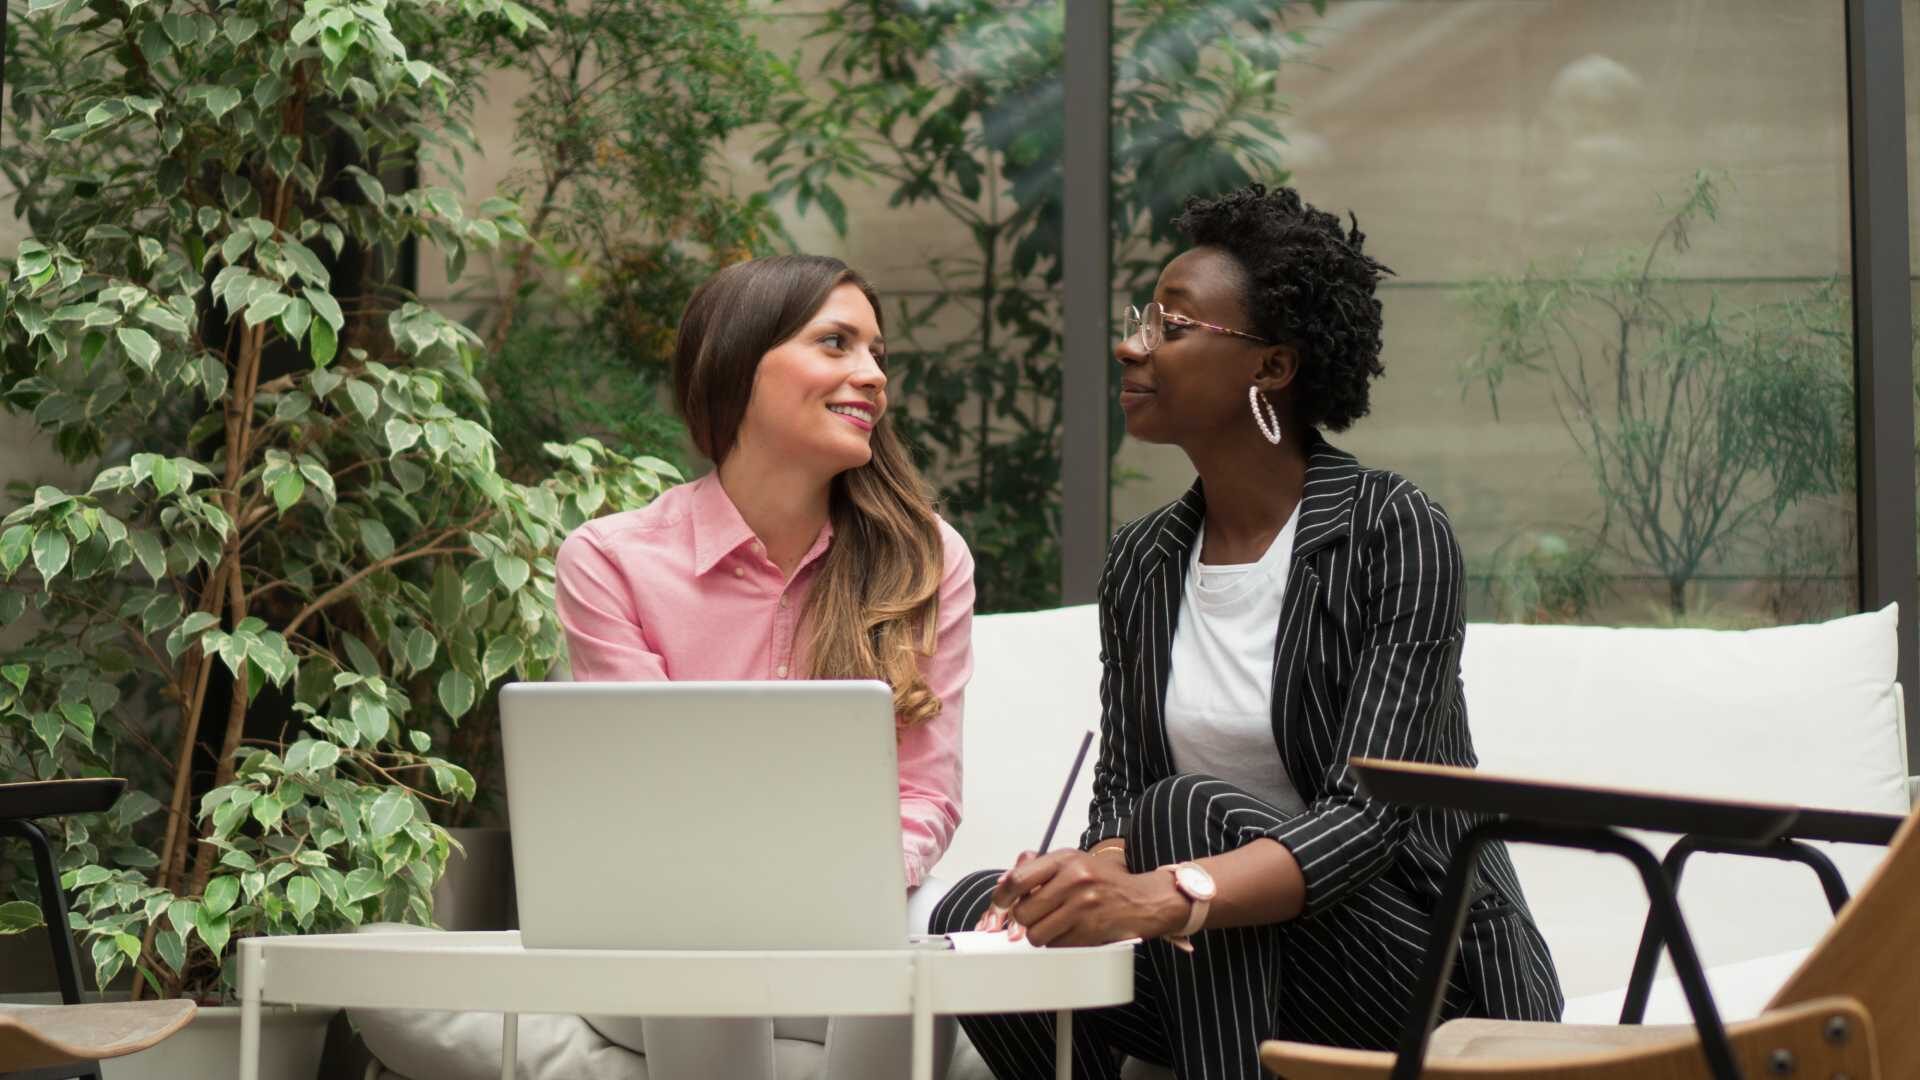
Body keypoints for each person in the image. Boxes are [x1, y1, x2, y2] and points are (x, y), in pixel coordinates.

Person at [929, 185, 1563, 1080]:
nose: (1132, 344)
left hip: (1429, 973)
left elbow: (1371, 819)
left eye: (1172, 327)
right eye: (1140, 319)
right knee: (975, 918)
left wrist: (1168, 891)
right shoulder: (1142, 561)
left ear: (1271, 368)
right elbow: (1122, 792)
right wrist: (1085, 874)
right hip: (1240, 964)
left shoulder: (1390, 528)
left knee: (1189, 814)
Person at [554, 254, 973, 1080]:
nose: (872, 375)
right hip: (664, 927)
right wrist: (757, 893)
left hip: (856, 919)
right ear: (738, 364)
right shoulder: (609, 560)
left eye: (877, 353)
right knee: (703, 929)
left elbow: (925, 791)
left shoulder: (926, 557)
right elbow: (649, 794)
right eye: (837, 343)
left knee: (932, 944)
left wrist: (843, 893)